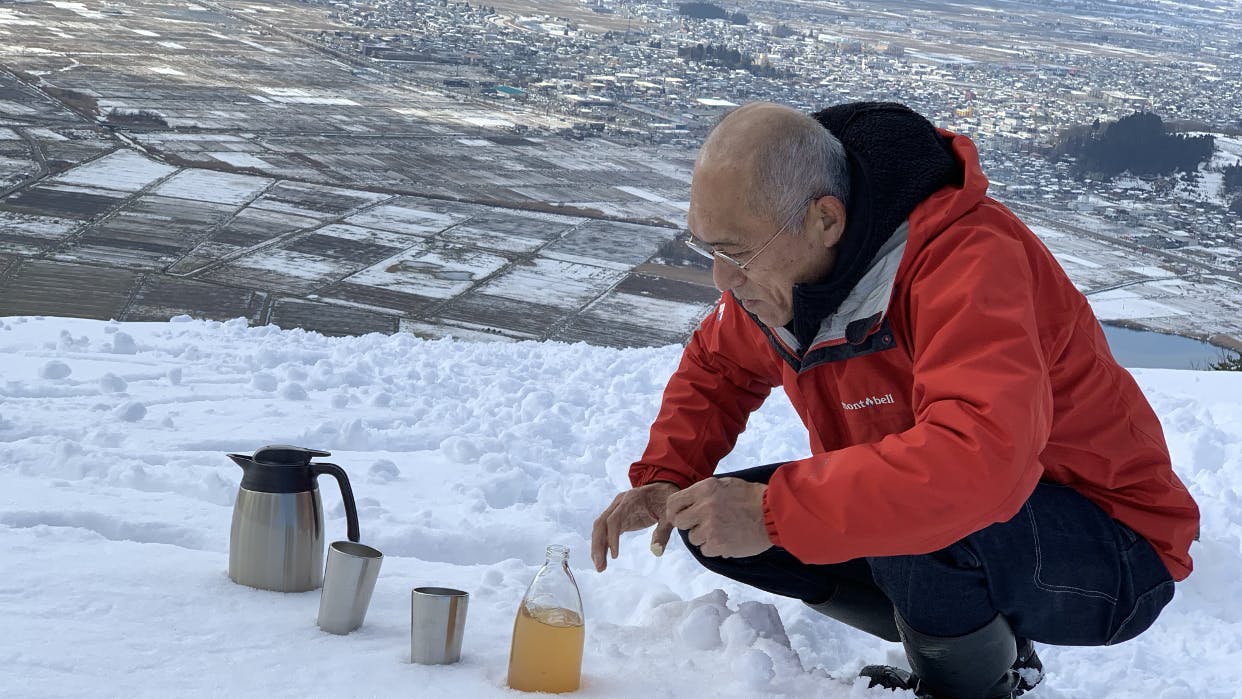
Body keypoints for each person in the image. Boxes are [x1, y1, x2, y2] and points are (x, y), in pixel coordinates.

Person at [590, 101, 1200, 698]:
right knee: (710, 521)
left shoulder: (967, 259)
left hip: (1114, 548)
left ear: (826, 220)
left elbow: (978, 461)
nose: (723, 281)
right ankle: (968, 634)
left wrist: (776, 511)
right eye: (710, 250)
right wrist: (667, 475)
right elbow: (719, 366)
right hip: (972, 524)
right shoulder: (786, 274)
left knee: (908, 533)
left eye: (738, 252)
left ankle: (980, 684)